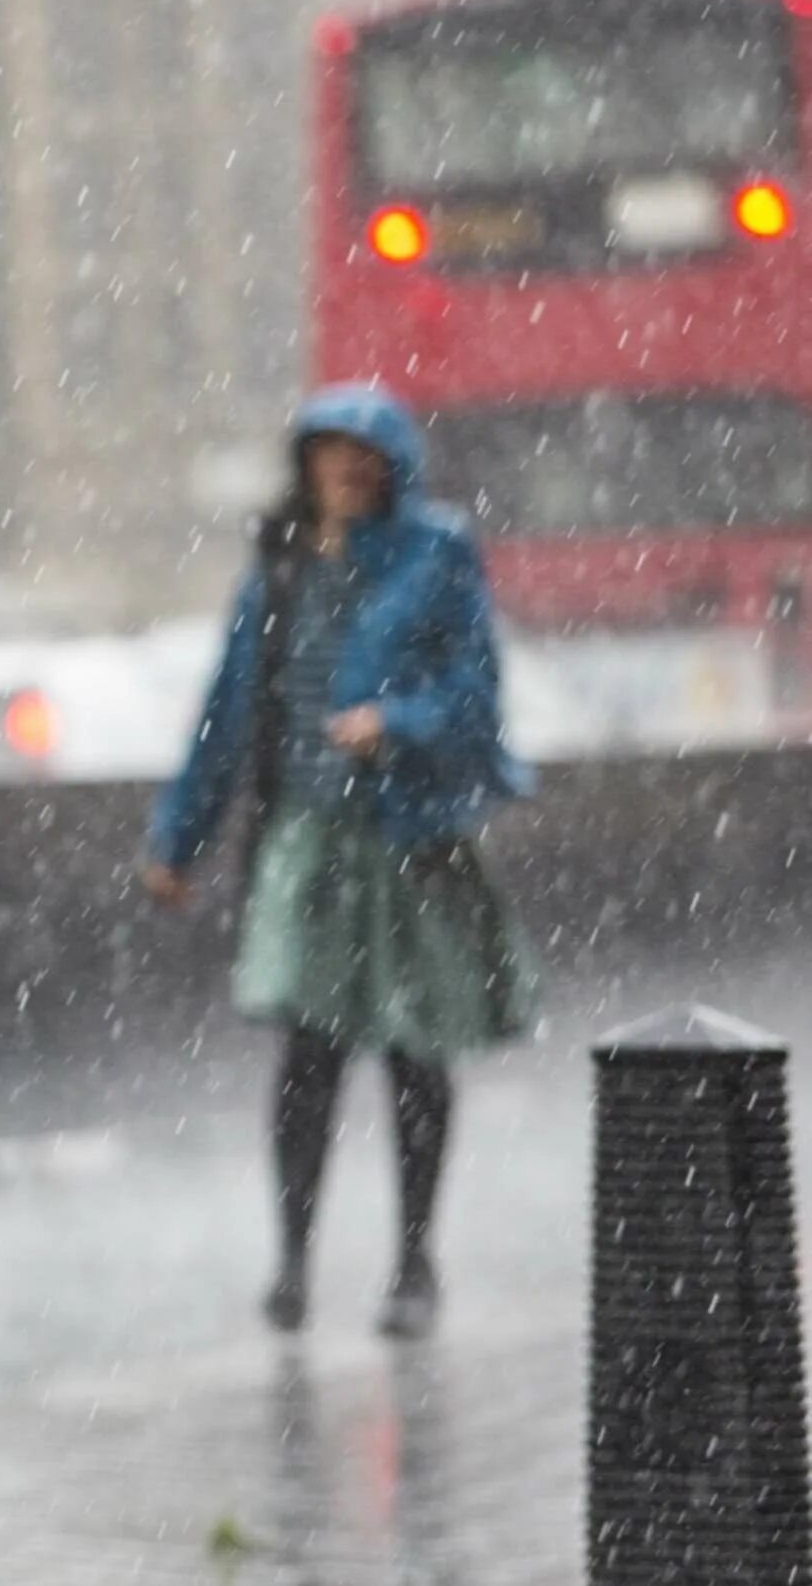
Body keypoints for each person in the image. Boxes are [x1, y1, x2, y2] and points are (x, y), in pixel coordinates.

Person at [143, 382, 536, 1340]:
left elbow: (477, 692)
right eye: (332, 454)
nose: (349, 472)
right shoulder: (276, 571)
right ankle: (293, 1260)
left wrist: (393, 723)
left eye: (367, 456)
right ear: (306, 465)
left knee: (414, 1052)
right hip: (311, 842)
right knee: (308, 1059)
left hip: (406, 836)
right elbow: (229, 712)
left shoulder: (437, 553)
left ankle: (414, 1261)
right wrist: (178, 837)